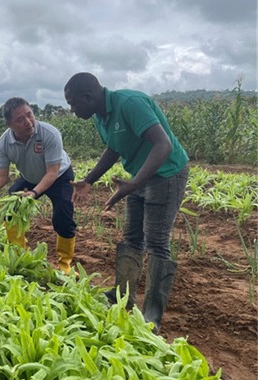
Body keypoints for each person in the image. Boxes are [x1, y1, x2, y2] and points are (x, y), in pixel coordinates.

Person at [64, 72, 189, 333]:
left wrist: (135, 184)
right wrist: (89, 180)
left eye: (73, 103)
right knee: (132, 237)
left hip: (167, 174)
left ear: (88, 96)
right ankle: (123, 296)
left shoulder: (129, 103)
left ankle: (152, 317)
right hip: (138, 177)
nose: (72, 110)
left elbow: (163, 144)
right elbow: (114, 148)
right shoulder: (101, 117)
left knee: (156, 242)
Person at [0, 97, 77, 275]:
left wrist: (34, 193)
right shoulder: (4, 144)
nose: (28, 122)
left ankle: (64, 266)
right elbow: (1, 176)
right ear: (9, 124)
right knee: (12, 209)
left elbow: (51, 173)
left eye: (30, 115)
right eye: (20, 119)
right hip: (29, 177)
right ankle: (19, 255)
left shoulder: (50, 134)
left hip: (59, 176)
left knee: (63, 216)